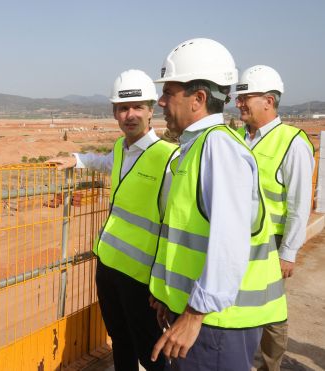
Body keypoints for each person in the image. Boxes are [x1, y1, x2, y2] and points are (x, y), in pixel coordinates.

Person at [148, 38, 287, 370]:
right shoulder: (196, 147)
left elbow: (229, 243)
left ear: (198, 98)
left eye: (169, 92)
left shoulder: (219, 150)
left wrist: (195, 314)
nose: (161, 102)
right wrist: (167, 293)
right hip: (197, 317)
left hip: (215, 325)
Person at [47, 69, 178, 370]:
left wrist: (163, 283)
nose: (129, 115)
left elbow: (173, 227)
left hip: (142, 278)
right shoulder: (121, 148)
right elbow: (106, 163)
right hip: (108, 265)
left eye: (136, 107)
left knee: (150, 351)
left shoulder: (168, 158)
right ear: (114, 113)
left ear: (151, 110)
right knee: (120, 339)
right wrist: (77, 160)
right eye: (122, 108)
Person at [234, 65, 315, 371]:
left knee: (270, 310)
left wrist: (289, 252)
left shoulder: (291, 142)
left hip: (272, 242)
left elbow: (298, 204)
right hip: (240, 237)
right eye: (239, 97)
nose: (239, 102)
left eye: (246, 97)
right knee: (239, 304)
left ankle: (270, 365)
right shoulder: (239, 138)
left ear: (268, 101)